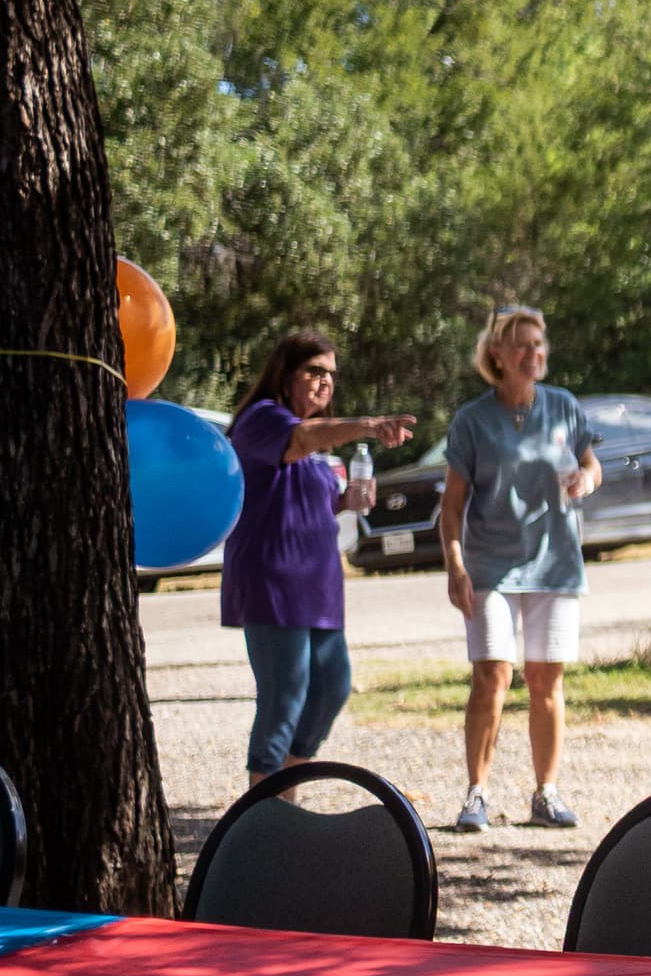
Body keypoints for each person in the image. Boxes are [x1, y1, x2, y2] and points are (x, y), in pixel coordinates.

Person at [221, 331, 417, 787]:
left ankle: (285, 790)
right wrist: (369, 424)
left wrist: (347, 499)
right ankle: (264, 812)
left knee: (332, 686)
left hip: (318, 588)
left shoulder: (317, 454)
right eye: (314, 371)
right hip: (273, 585)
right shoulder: (262, 419)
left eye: (331, 374)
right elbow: (301, 438)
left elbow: (309, 499)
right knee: (284, 698)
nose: (325, 382)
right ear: (285, 376)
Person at [437, 306, 602, 832]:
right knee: (492, 675)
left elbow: (590, 463)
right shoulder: (472, 419)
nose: (535, 354)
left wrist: (587, 481)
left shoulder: (563, 408)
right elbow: (452, 505)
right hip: (489, 566)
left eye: (540, 345)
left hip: (554, 563)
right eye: (523, 346)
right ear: (497, 356)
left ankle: (546, 794)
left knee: (545, 679)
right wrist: (455, 564)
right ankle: (475, 794)